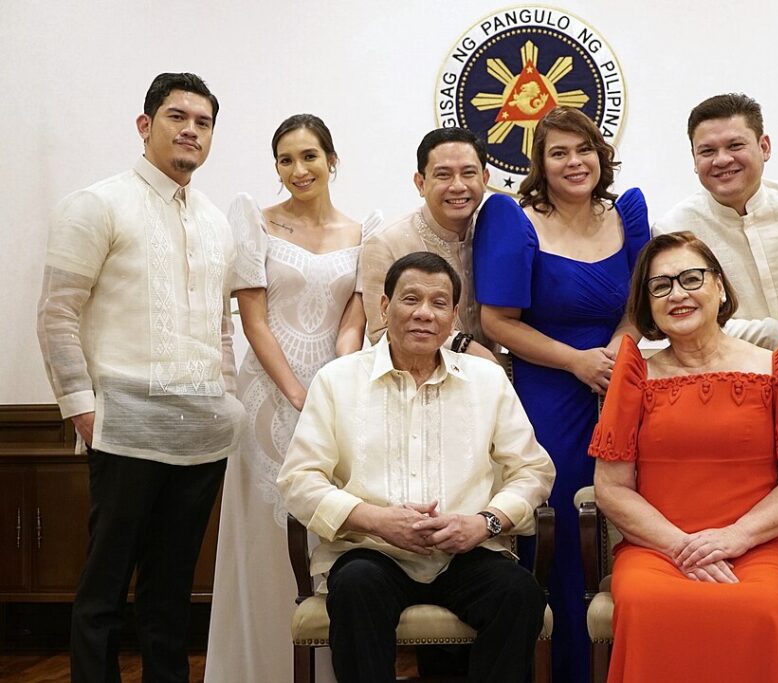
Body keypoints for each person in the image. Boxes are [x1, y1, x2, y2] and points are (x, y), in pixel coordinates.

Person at [36, 72, 244, 682]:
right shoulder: (96, 204)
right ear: (146, 125)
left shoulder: (215, 221)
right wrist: (81, 407)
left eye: (203, 123)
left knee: (171, 588)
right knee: (104, 586)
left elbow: (222, 325)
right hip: (121, 424)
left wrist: (227, 399)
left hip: (201, 430)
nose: (191, 131)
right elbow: (57, 313)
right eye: (178, 117)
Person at [277, 252, 555, 682]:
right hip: (372, 551)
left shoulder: (488, 381)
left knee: (518, 593)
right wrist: (376, 520)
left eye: (439, 303)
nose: (424, 313)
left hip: (466, 551)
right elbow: (299, 479)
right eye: (410, 299)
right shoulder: (336, 380)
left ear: (454, 316)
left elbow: (534, 471)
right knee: (356, 589)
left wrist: (484, 523)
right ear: (385, 307)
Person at [590, 231, 778, 682]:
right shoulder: (634, 375)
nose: (676, 294)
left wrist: (737, 537)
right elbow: (611, 488)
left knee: (758, 608)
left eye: (691, 278)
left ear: (719, 286)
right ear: (648, 305)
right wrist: (681, 546)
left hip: (756, 547)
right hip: (657, 549)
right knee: (647, 605)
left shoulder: (777, 368)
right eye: (660, 286)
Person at [473, 106, 650, 683]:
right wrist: (576, 362)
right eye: (559, 153)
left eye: (584, 150)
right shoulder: (511, 217)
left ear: (602, 155)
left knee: (637, 516)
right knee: (563, 527)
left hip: (622, 381)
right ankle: (564, 667)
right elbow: (497, 320)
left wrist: (618, 356)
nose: (574, 163)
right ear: (540, 166)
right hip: (548, 390)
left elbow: (640, 306)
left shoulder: (629, 212)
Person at [205, 114, 383, 683]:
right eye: (285, 160)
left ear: (332, 160)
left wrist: (333, 388)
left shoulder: (365, 231)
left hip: (336, 391)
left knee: (329, 527)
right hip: (269, 398)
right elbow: (252, 318)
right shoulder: (254, 223)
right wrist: (295, 392)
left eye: (309, 156)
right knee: (266, 529)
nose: (298, 170)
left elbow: (352, 323)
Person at [654, 93, 778, 349]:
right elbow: (688, 319)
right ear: (694, 159)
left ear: (765, 147)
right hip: (739, 377)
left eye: (735, 146)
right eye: (707, 151)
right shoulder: (674, 228)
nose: (722, 160)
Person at [357, 127, 496, 360]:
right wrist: (462, 345)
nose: (458, 186)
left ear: (484, 179)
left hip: (492, 382)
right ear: (420, 183)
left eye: (468, 173)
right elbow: (381, 334)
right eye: (443, 175)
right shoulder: (386, 244)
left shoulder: (499, 237)